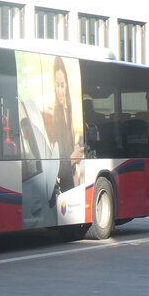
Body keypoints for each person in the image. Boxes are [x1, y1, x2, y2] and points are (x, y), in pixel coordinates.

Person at [42, 56, 83, 196]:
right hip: (64, 187)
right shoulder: (55, 117)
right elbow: (54, 166)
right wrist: (72, 158)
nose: (59, 90)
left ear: (67, 85)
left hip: (72, 184)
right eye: (57, 84)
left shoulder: (69, 112)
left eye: (62, 85)